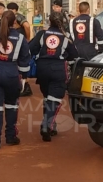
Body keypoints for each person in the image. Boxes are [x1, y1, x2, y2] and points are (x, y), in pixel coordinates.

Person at [0, 10, 31, 150]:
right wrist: (24, 79)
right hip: (11, 74)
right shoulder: (20, 38)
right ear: (15, 22)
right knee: (11, 107)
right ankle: (10, 136)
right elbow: (25, 61)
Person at [29, 11, 79, 142]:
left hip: (42, 69)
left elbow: (31, 49)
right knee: (54, 99)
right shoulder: (66, 36)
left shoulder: (41, 34)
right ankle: (47, 125)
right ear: (63, 22)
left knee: (48, 97)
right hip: (57, 69)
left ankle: (51, 124)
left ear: (49, 21)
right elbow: (74, 55)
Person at [7, 2, 33, 97]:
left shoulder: (17, 17)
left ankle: (25, 87)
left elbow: (26, 26)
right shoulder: (13, 17)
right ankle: (24, 86)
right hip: (17, 42)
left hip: (19, 42)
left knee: (21, 65)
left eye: (11, 9)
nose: (10, 11)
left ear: (15, 10)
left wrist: (27, 38)